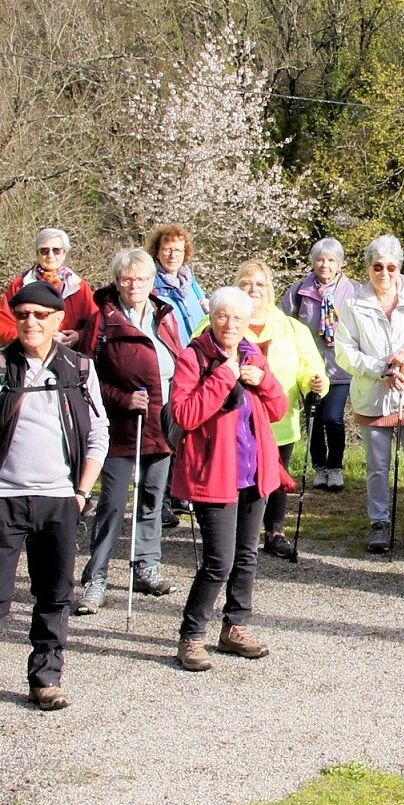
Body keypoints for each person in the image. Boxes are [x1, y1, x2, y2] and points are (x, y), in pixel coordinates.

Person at [0, 281, 110, 721]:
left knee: (55, 596)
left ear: (59, 320)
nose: (31, 323)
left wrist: (80, 493)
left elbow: (99, 434)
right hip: (2, 500)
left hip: (59, 500)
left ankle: (46, 680)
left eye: (42, 315)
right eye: (23, 315)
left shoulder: (80, 368)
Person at [169, 287, 289, 672]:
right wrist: (224, 376)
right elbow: (185, 415)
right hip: (214, 473)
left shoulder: (254, 352)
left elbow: (278, 408)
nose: (230, 325)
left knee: (246, 556)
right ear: (212, 317)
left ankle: (236, 627)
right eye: (223, 316)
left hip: (255, 471)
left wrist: (263, 381)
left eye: (238, 319)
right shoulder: (194, 356)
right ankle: (192, 636)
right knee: (218, 561)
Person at [73, 249, 187, 614]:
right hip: (120, 426)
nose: (134, 285)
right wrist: (122, 399)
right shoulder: (102, 321)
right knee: (112, 503)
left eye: (141, 279)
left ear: (151, 281)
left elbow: (180, 361)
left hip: (162, 423)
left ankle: (146, 566)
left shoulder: (164, 316)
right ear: (116, 281)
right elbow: (84, 377)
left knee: (153, 499)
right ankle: (96, 578)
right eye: (126, 279)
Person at [336, 235, 404, 556]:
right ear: (368, 267)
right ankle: (379, 524)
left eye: (391, 266)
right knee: (377, 466)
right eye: (377, 266)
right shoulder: (354, 303)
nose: (384, 273)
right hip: (373, 395)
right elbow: (345, 352)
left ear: (400, 267)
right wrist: (379, 369)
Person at [238, 261, 327, 560]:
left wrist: (315, 383)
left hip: (279, 416)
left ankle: (275, 532)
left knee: (277, 475)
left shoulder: (291, 327)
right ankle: (237, 531)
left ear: (270, 289)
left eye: (260, 285)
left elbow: (310, 365)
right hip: (235, 418)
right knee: (241, 473)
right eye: (246, 285)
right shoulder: (220, 320)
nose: (254, 291)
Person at [280, 237, 358, 490]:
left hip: (341, 367)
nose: (325, 265)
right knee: (313, 418)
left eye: (331, 260)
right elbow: (284, 324)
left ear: (340, 263)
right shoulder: (299, 291)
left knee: (333, 418)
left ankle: (335, 467)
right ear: (313, 262)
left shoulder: (354, 291)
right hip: (309, 367)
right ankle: (319, 466)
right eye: (320, 259)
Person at [0, 227, 97, 346]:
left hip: (70, 356)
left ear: (64, 253)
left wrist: (79, 336)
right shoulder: (20, 285)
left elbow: (96, 324)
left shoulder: (78, 286)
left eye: (56, 250)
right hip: (26, 356)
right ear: (37, 254)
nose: (50, 255)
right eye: (44, 250)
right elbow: (3, 325)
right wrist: (30, 341)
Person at [144, 224, 209, 339]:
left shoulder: (192, 286)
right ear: (157, 252)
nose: (173, 256)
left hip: (197, 354)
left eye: (178, 250)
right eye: (167, 249)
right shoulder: (150, 288)